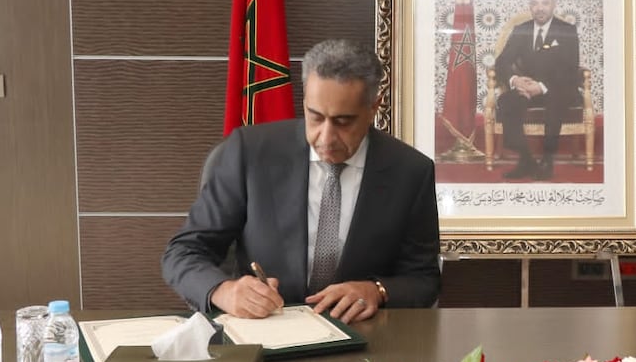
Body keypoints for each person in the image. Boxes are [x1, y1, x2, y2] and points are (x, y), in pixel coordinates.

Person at [162, 39, 441, 323]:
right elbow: (184, 252)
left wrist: (377, 290)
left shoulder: (410, 171)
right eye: (315, 117)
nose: (326, 138)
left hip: (363, 338)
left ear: (373, 108)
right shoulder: (250, 152)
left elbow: (424, 279)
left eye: (343, 122)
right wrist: (225, 291)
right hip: (265, 332)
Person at [493, 0, 582, 180]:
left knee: (555, 99)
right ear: (530, 6)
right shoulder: (521, 30)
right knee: (507, 101)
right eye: (535, 3)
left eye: (545, 3)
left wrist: (540, 88)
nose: (539, 8)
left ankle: (547, 160)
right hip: (527, 87)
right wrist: (516, 80)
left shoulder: (567, 30)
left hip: (558, 88)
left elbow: (569, 68)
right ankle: (526, 160)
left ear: (553, 5)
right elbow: (502, 62)